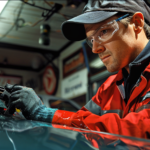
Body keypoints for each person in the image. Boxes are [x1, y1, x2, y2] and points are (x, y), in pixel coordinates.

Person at [4, 0, 150, 139]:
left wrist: (43, 113)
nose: (95, 48)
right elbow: (80, 126)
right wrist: (29, 115)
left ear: (137, 23)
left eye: (104, 31)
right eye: (91, 39)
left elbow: (140, 130)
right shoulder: (108, 89)